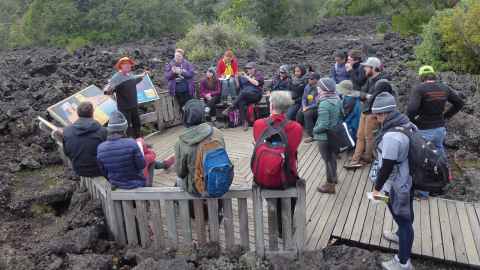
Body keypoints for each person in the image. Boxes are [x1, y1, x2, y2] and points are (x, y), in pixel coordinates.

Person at [371, 92, 415, 270]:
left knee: (403, 220)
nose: (376, 118)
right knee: (406, 216)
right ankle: (399, 235)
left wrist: (376, 189)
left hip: (396, 185)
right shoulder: (406, 123)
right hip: (409, 179)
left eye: (379, 114)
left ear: (386, 113)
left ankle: (403, 262)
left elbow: (387, 167)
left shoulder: (391, 137)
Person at [407, 65, 464, 198]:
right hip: (439, 129)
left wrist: (414, 121)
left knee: (423, 159)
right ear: (434, 75)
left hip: (424, 130)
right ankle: (444, 180)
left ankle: (423, 191)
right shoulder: (444, 87)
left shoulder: (419, 88)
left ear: (421, 77)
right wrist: (446, 116)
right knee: (439, 154)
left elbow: (411, 110)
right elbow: (459, 103)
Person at [253, 91, 303, 235]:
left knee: (273, 196)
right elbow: (293, 149)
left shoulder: (258, 124)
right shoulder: (296, 127)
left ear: (272, 105)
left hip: (264, 175)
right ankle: (284, 228)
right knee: (290, 197)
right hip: (287, 176)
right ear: (287, 108)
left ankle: (274, 215)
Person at [97, 111, 173, 189]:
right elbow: (141, 165)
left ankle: (165, 164)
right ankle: (151, 183)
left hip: (117, 184)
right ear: (124, 129)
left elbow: (103, 171)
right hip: (137, 184)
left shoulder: (100, 148)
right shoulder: (131, 143)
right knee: (151, 161)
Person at [345, 57, 389, 169]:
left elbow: (372, 98)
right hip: (365, 111)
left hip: (373, 113)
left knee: (369, 137)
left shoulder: (382, 82)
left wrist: (362, 95)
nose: (364, 68)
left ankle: (367, 158)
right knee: (360, 135)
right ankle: (356, 158)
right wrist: (363, 95)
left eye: (366, 66)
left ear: (373, 68)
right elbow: (364, 94)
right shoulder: (370, 79)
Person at [174, 99, 225, 192]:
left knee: (177, 180)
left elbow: (180, 172)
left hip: (196, 189)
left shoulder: (180, 142)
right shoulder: (217, 133)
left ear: (185, 117)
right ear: (203, 115)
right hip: (218, 182)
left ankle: (181, 205)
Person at [105, 57, 149, 138]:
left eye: (129, 64)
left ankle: (139, 141)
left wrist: (143, 75)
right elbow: (108, 90)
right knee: (127, 128)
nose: (128, 66)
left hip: (134, 106)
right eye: (125, 64)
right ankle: (129, 144)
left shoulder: (130, 75)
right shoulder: (116, 78)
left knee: (137, 125)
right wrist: (108, 89)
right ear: (120, 66)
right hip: (124, 108)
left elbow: (135, 79)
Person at [313, 78, 344, 194]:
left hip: (324, 137)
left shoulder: (324, 104)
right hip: (335, 133)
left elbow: (323, 125)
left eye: (319, 87)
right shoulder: (337, 99)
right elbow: (342, 114)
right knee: (332, 157)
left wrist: (314, 130)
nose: (317, 89)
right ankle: (334, 178)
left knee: (327, 160)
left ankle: (330, 185)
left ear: (323, 89)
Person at [62, 101, 107, 177]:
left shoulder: (67, 131)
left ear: (78, 113)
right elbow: (107, 153)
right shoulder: (103, 131)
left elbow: (66, 152)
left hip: (78, 169)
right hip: (99, 169)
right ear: (92, 113)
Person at [224, 62, 264, 131]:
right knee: (241, 102)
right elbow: (238, 87)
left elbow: (257, 83)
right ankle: (244, 122)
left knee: (243, 92)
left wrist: (247, 77)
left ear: (254, 69)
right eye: (247, 68)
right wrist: (236, 78)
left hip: (255, 95)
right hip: (246, 96)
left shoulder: (258, 75)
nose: (248, 70)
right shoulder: (244, 76)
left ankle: (230, 108)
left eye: (249, 68)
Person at [296, 72, 320, 143]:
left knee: (307, 114)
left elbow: (317, 102)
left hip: (317, 107)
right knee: (299, 114)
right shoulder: (307, 86)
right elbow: (304, 98)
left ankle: (312, 135)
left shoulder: (319, 88)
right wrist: (304, 106)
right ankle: (300, 130)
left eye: (311, 79)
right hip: (307, 106)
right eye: (309, 78)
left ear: (317, 80)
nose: (309, 80)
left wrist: (308, 107)